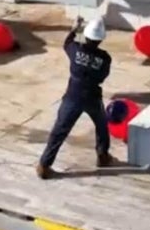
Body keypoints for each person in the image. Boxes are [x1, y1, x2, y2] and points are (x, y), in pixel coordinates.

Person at [37, 16, 116, 179]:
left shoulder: (75, 49)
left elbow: (66, 43)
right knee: (101, 125)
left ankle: (44, 166)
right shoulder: (105, 58)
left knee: (59, 130)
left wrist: (74, 28)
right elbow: (103, 76)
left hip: (73, 95)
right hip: (93, 96)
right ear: (100, 39)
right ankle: (102, 156)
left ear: (86, 35)